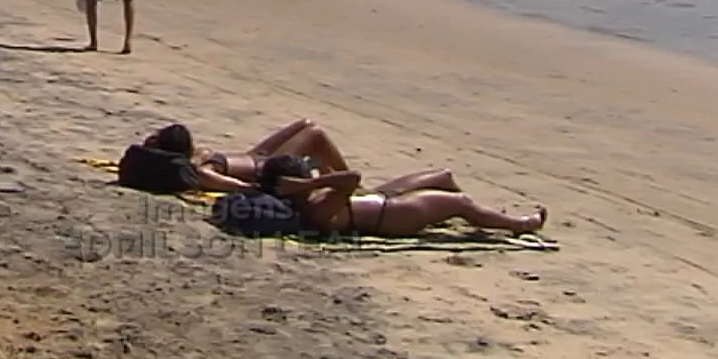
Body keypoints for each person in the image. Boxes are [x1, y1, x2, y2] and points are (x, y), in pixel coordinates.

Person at [257, 155, 546, 237]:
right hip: (395, 215)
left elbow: (332, 172)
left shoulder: (309, 200)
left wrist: (311, 174)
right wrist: (305, 186)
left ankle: (471, 217)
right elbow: (352, 178)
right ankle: (519, 225)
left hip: (381, 200)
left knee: (443, 176)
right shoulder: (315, 209)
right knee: (462, 202)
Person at [143, 121, 348, 193]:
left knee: (306, 124)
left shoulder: (196, 158)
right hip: (265, 166)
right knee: (316, 135)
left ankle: (332, 178)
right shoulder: (201, 170)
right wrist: (253, 188)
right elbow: (229, 184)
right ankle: (346, 181)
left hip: (256, 156)